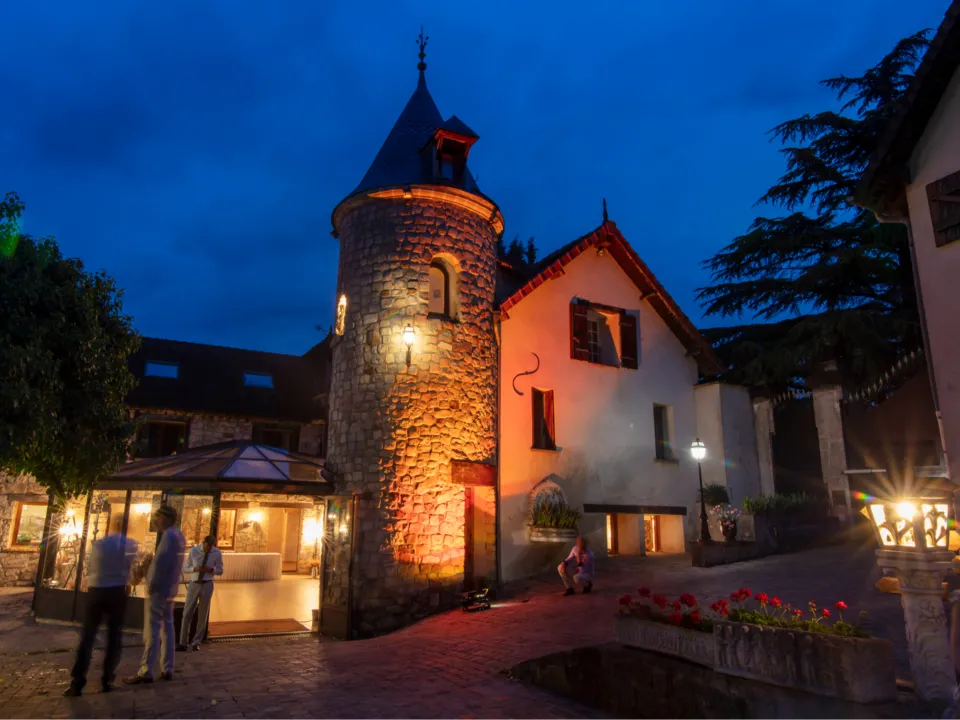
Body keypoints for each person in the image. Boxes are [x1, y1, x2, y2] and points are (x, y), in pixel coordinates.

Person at [63, 532, 138, 697]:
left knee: (88, 636)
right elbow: (130, 567)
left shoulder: (99, 544)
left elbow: (91, 567)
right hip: (116, 591)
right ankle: (107, 678)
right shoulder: (130, 544)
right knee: (114, 636)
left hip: (97, 589)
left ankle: (77, 681)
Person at [124, 505, 185, 685]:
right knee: (168, 628)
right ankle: (167, 667)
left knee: (152, 629)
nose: (155, 521)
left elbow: (161, 565)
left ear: (165, 518)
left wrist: (151, 585)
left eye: (158, 517)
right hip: (169, 588)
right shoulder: (178, 536)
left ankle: (146, 670)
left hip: (159, 590)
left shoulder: (169, 537)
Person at [178, 534, 223, 651]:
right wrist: (195, 569)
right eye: (206, 547)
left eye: (210, 547)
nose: (207, 549)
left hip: (207, 583)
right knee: (187, 613)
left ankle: (196, 642)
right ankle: (183, 642)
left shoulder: (217, 553)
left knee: (203, 614)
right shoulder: (194, 551)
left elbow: (220, 570)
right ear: (203, 543)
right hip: (194, 583)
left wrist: (211, 570)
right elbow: (185, 568)